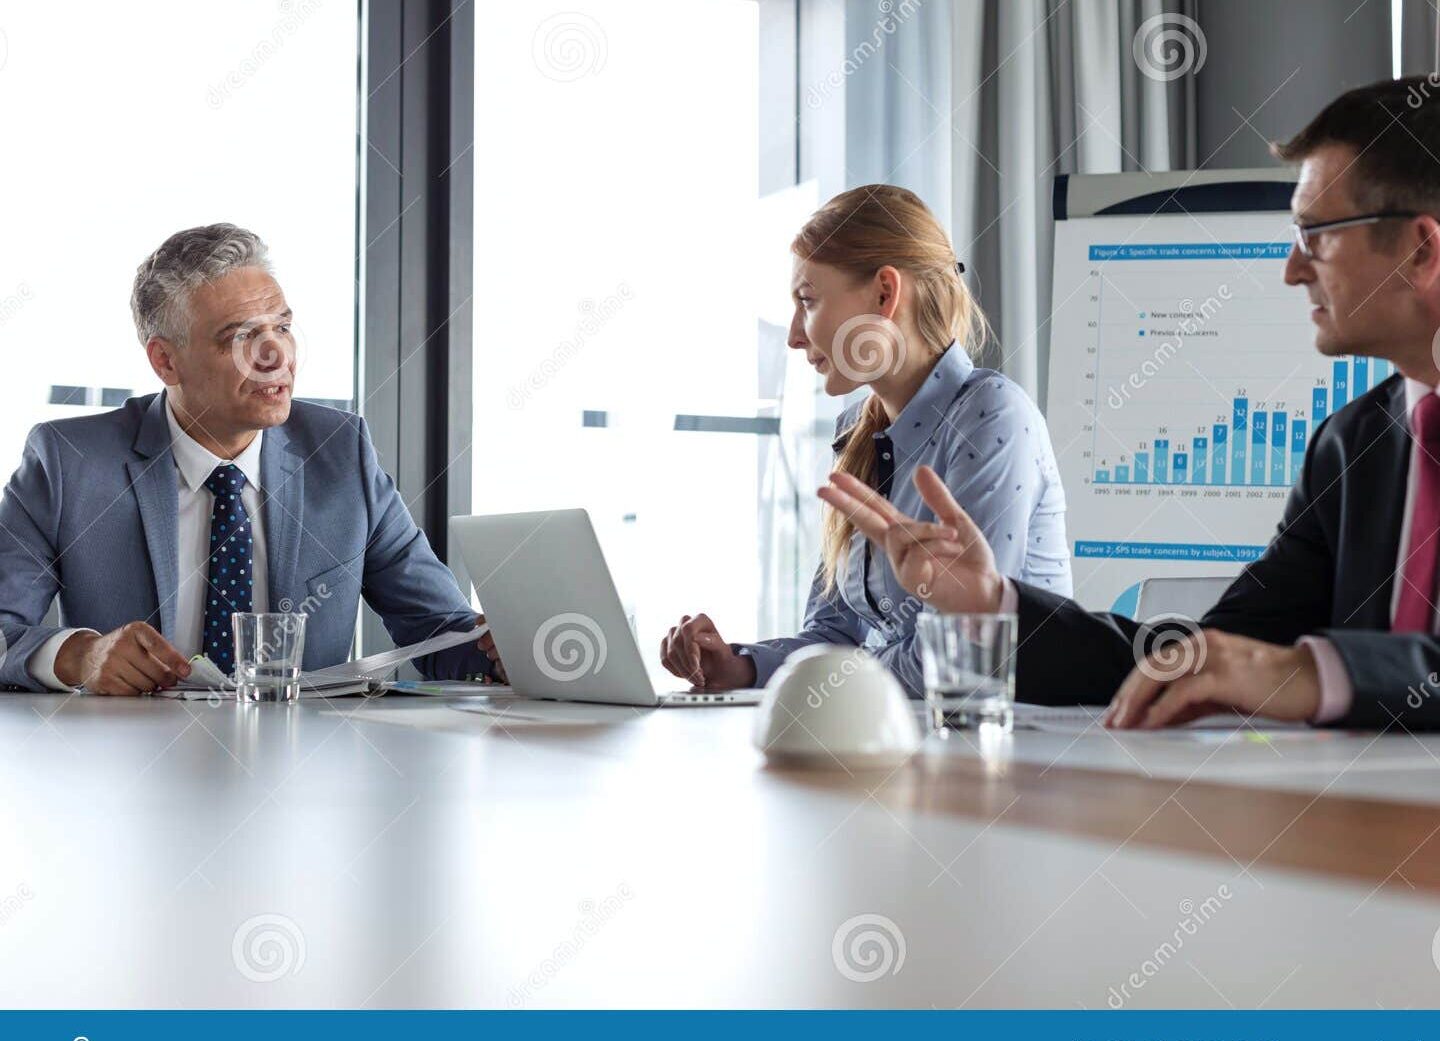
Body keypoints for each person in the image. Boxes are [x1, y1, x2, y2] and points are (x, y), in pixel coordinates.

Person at [818, 76, 1440, 730]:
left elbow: (1288, 669)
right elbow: (1198, 658)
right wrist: (994, 602)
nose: (1291, 268)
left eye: (1317, 235)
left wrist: (1317, 672)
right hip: (1357, 825)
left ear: (1421, 248)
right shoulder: (1351, 444)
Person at [0, 224, 504, 694]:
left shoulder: (341, 453)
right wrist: (80, 656)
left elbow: (440, 631)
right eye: (240, 337)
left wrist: (500, 651)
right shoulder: (67, 463)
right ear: (165, 360)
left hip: (303, 767)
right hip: (132, 770)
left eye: (282, 328)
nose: (276, 356)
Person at [659, 185, 1071, 695]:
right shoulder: (857, 433)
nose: (793, 334)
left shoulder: (992, 416)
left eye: (807, 301)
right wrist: (741, 668)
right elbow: (835, 634)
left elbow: (956, 654)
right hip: (902, 741)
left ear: (884, 294)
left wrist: (813, 684)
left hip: (1013, 746)